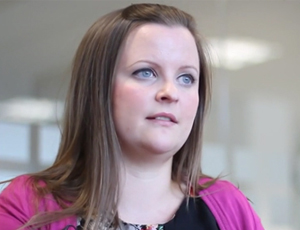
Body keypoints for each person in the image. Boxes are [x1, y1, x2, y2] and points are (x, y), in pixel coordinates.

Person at [0, 3, 264, 230]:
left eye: (186, 78)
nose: (170, 92)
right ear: (99, 89)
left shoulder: (228, 207)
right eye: (146, 72)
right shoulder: (27, 204)